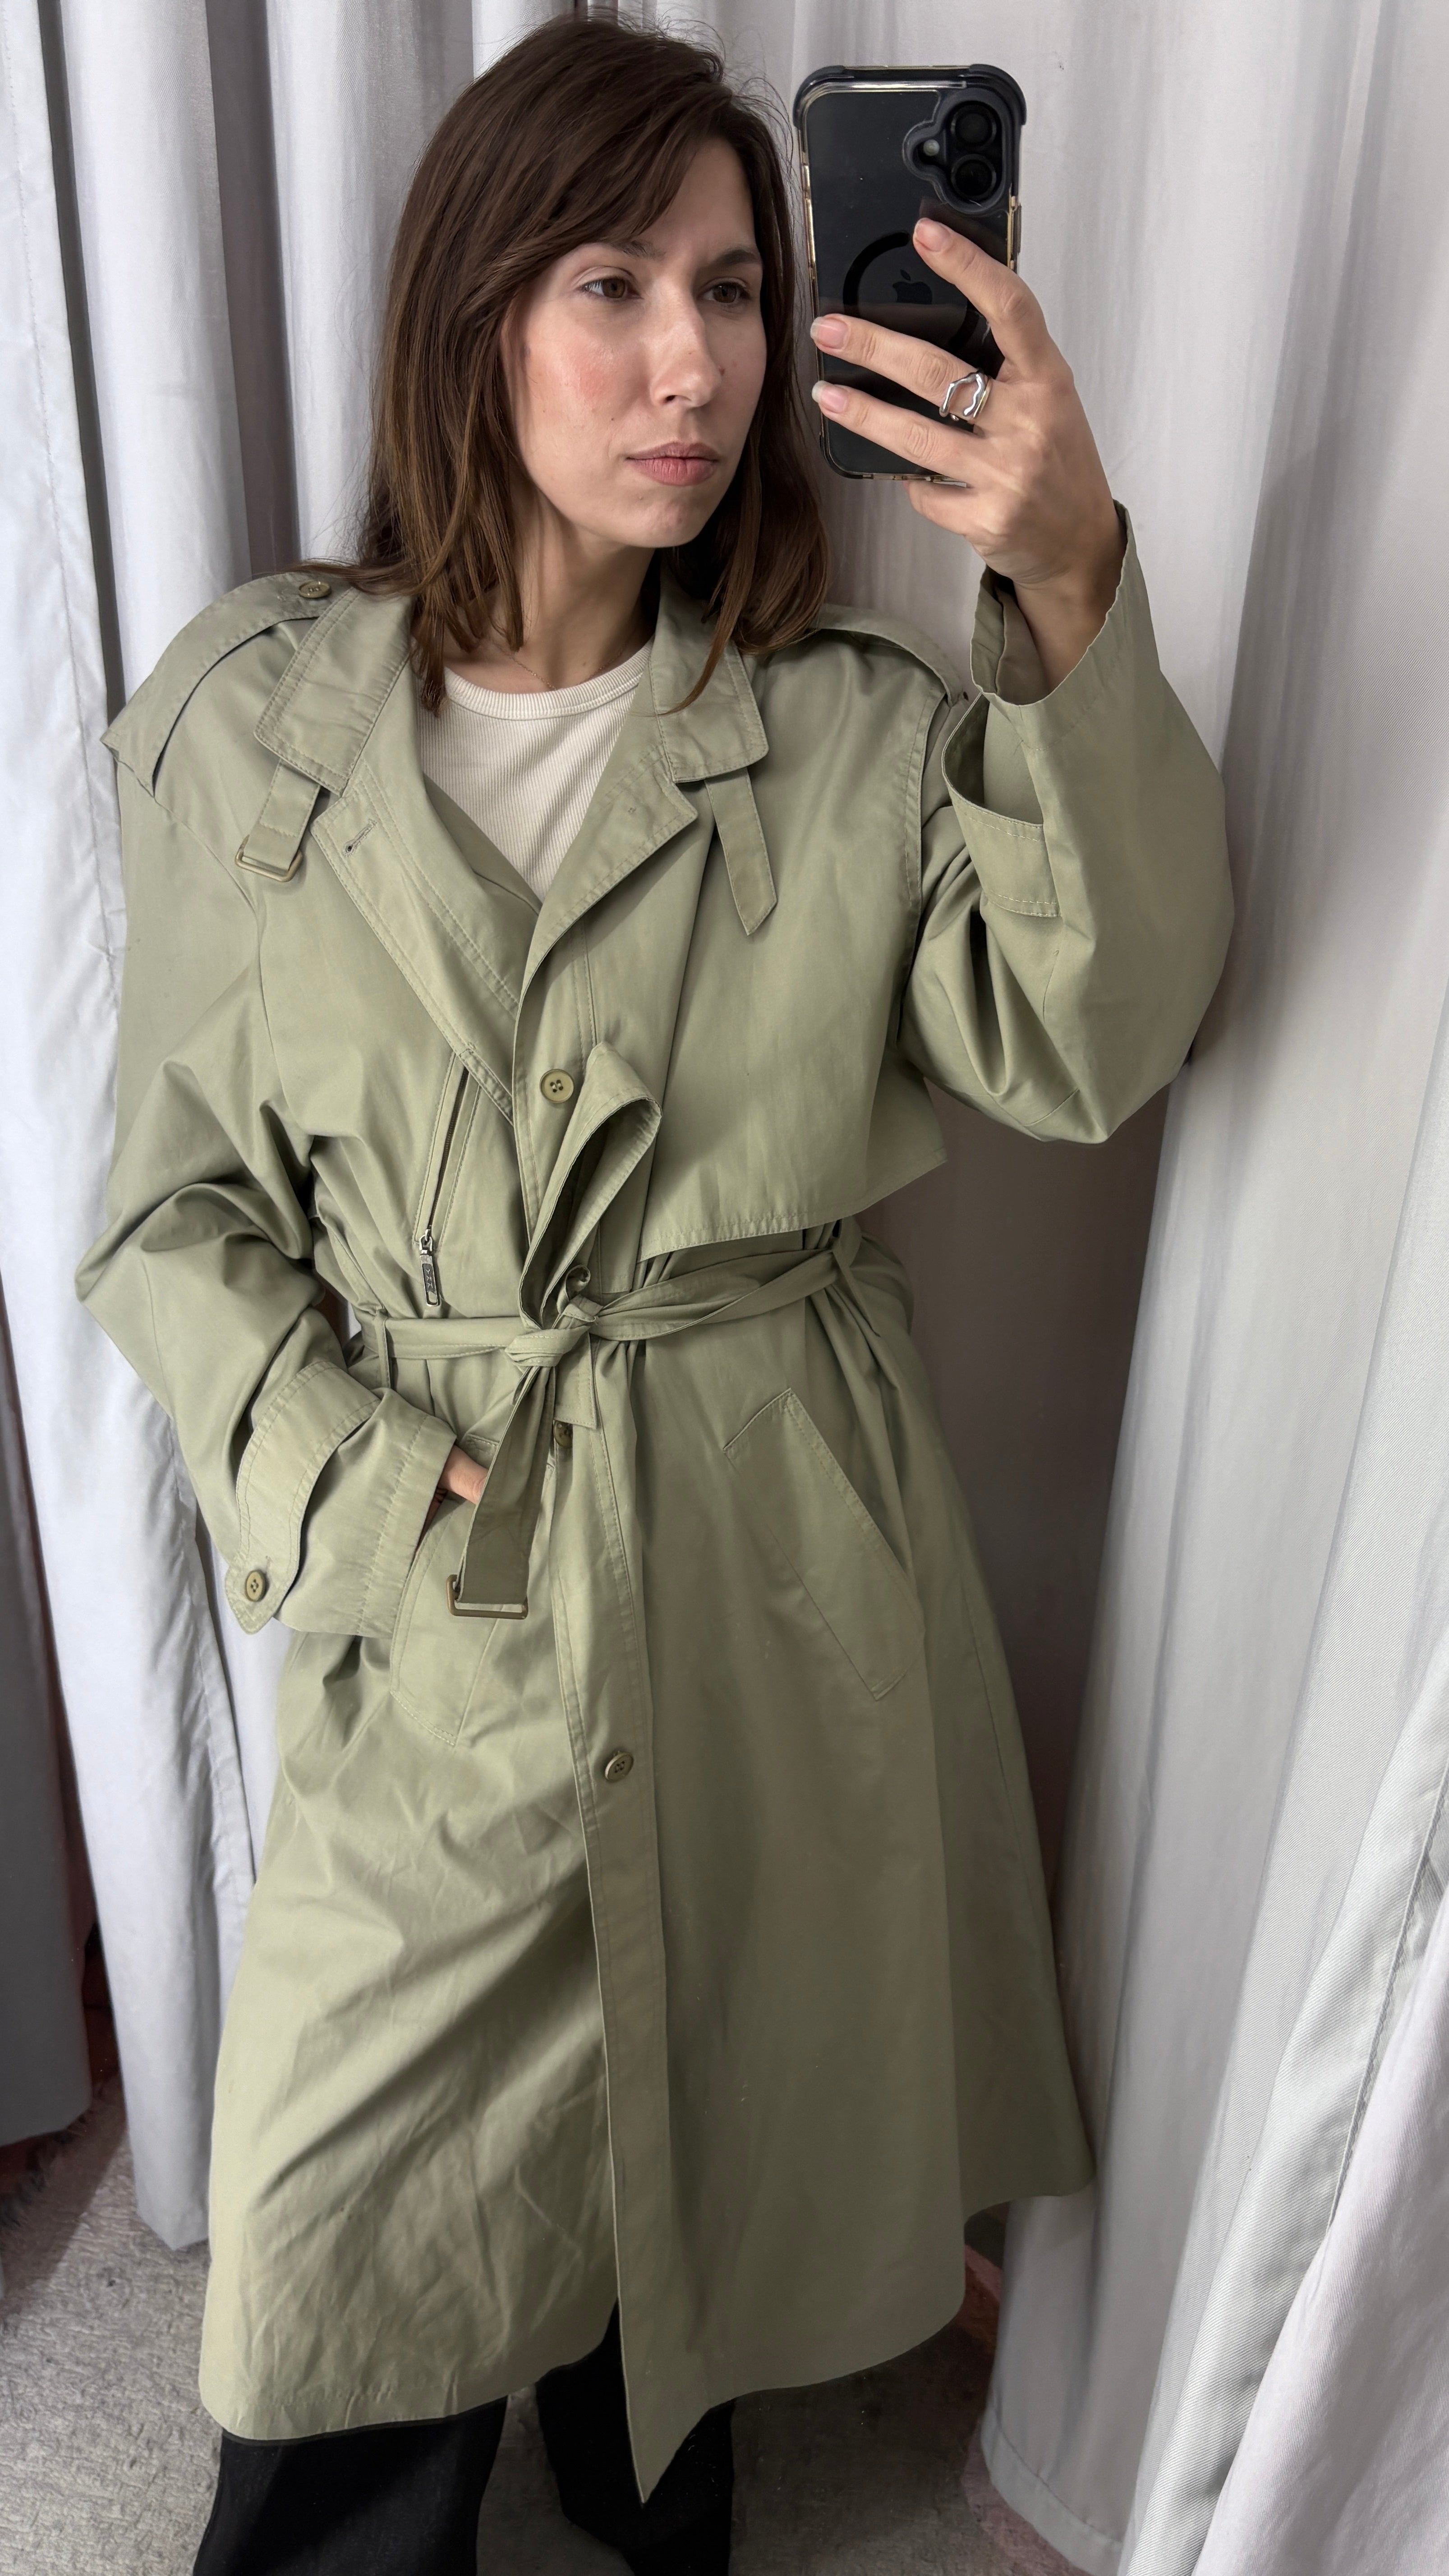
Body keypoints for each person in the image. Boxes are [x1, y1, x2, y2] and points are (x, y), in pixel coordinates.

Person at [76, 17, 1231, 2574]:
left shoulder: (852, 730)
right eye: (612, 284)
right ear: (473, 310)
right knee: (352, 2219)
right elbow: (171, 1214)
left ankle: (639, 2481)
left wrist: (1069, 582)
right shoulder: (249, 723)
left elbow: (1096, 1030)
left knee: (693, 2125)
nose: (691, 360)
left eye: (731, 286)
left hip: (767, 1544)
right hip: (444, 1548)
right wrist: (372, 1491)